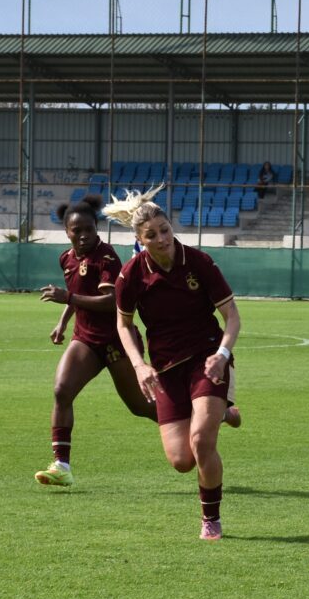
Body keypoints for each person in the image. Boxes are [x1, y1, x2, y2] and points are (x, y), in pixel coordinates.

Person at [104, 185, 244, 542]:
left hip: (206, 359)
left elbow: (232, 317)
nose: (162, 238)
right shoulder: (131, 276)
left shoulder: (198, 262)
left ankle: (210, 518)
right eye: (152, 235)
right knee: (182, 460)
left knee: (201, 441)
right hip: (165, 368)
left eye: (165, 230)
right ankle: (223, 411)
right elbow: (122, 324)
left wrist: (222, 356)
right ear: (140, 239)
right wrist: (139, 365)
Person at [34, 195, 158, 487]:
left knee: (142, 407)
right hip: (86, 339)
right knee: (62, 390)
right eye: (77, 230)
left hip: (117, 339)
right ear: (67, 231)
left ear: (96, 229)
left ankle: (200, 418)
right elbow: (76, 294)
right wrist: (63, 322)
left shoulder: (106, 257)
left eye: (89, 229)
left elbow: (111, 301)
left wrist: (69, 299)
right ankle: (61, 465)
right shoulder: (66, 258)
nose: (84, 235)